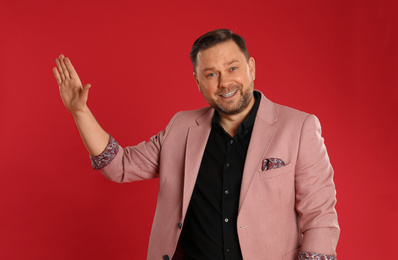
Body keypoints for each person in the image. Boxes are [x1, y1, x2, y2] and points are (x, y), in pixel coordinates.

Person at [53, 29, 339, 260]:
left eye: (233, 67)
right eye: (211, 74)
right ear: (198, 82)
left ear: (251, 67)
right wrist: (80, 112)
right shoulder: (182, 127)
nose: (225, 82)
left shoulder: (298, 127)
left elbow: (320, 214)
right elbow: (119, 167)